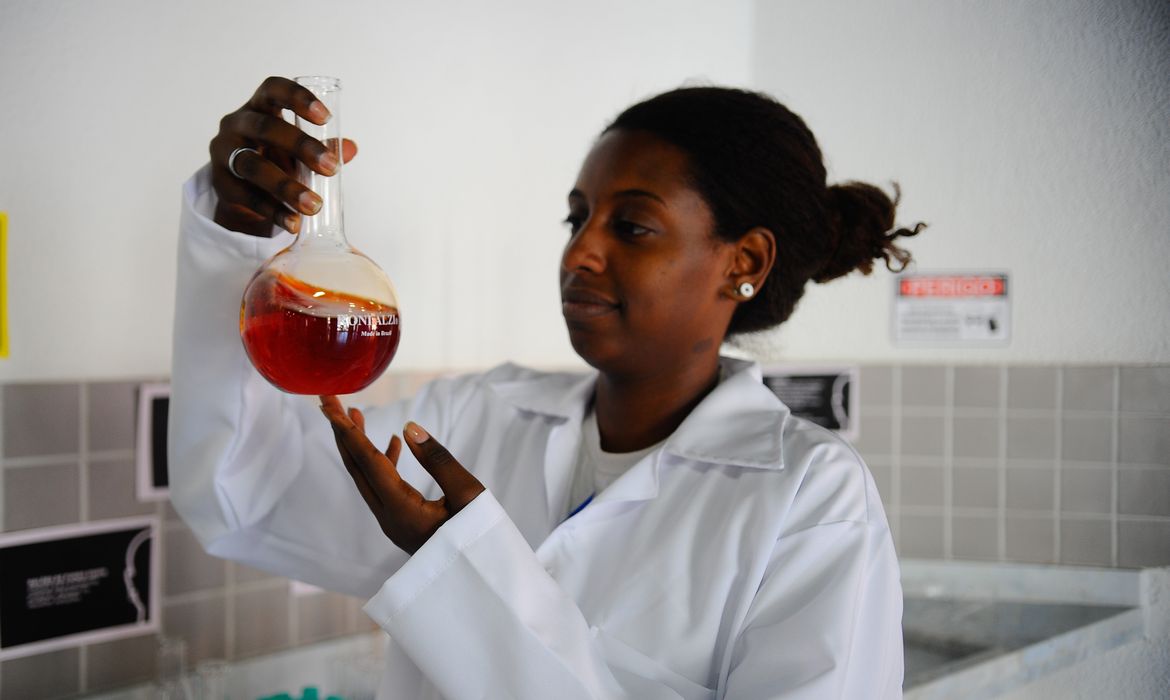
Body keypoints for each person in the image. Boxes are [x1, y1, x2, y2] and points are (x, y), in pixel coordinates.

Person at [170, 76, 923, 699]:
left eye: (631, 227)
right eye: (577, 218)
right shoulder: (479, 416)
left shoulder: (811, 500)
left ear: (743, 261)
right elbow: (245, 498)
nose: (579, 253)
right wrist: (237, 236)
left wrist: (461, 566)